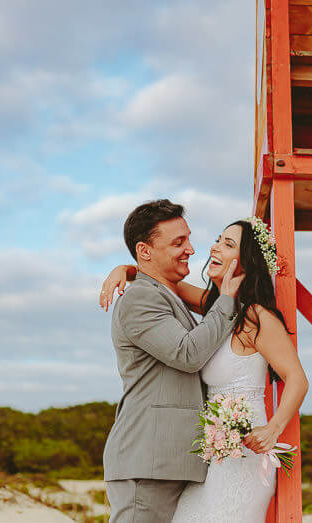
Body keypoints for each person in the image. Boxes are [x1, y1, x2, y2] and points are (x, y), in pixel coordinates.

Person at [100, 216, 309, 522]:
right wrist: (125, 270)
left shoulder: (256, 316)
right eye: (218, 239)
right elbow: (160, 279)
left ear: (246, 260)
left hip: (243, 452)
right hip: (209, 457)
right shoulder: (217, 306)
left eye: (228, 244)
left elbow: (297, 378)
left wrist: (274, 427)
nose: (213, 247)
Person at [102, 200, 245, 523]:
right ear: (145, 250)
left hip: (170, 460)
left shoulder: (166, 293)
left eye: (189, 239)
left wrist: (130, 268)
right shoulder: (140, 297)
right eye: (178, 242)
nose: (191, 249)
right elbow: (188, 354)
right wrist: (227, 300)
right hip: (148, 461)